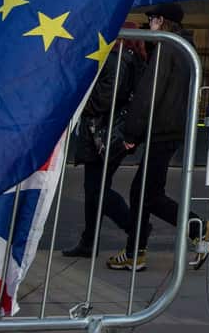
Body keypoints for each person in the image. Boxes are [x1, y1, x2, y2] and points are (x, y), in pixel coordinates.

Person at [106, 3, 209, 272]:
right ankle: (139, 250)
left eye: (151, 19)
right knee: (147, 194)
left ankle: (190, 230)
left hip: (161, 129)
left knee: (144, 193)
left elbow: (149, 93)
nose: (148, 23)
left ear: (161, 20)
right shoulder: (184, 47)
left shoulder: (166, 47)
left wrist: (131, 132)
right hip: (170, 129)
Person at [62, 23, 146, 258]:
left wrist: (79, 105)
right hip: (110, 135)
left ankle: (135, 229)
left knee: (97, 191)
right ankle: (89, 241)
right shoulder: (133, 60)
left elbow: (105, 99)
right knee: (95, 190)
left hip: (102, 134)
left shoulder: (117, 60)